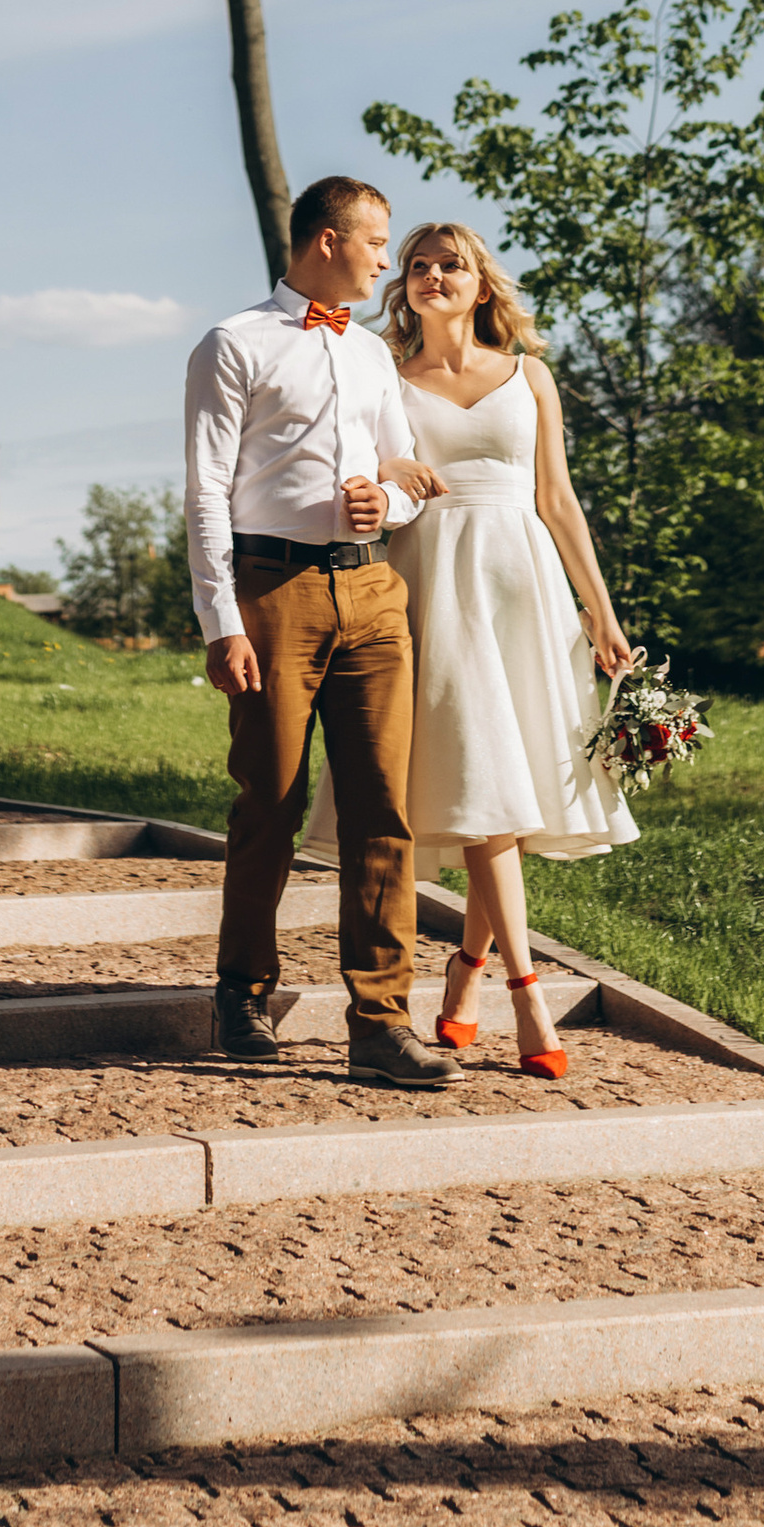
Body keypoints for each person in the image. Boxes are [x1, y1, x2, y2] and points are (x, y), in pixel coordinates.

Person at [304, 215, 634, 1074]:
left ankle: (466, 971)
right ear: (403, 285)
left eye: (450, 265)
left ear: (480, 283)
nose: (431, 276)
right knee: (480, 774)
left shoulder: (530, 376)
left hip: (523, 588)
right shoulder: (387, 375)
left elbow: (558, 501)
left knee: (511, 786)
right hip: (428, 585)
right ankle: (529, 994)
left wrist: (600, 613)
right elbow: (367, 470)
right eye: (416, 266)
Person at [183, 173, 461, 1090]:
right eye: (378, 242)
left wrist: (391, 500)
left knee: (385, 808)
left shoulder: (374, 356)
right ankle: (241, 993)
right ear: (329, 241)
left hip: (374, 594)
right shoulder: (233, 344)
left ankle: (381, 1021)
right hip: (275, 593)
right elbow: (205, 493)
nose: (388, 259)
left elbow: (405, 478)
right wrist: (223, 620)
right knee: (270, 800)